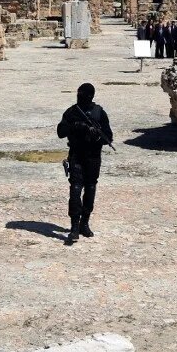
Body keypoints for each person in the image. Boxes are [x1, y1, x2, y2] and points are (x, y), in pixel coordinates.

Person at [56, 83, 113, 244]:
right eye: (78, 93)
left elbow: (108, 137)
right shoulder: (72, 112)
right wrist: (76, 126)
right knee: (75, 189)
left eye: (83, 94)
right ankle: (74, 227)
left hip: (93, 157)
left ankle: (84, 223)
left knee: (90, 188)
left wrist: (96, 136)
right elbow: (61, 132)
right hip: (76, 155)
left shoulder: (99, 113)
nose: (80, 96)